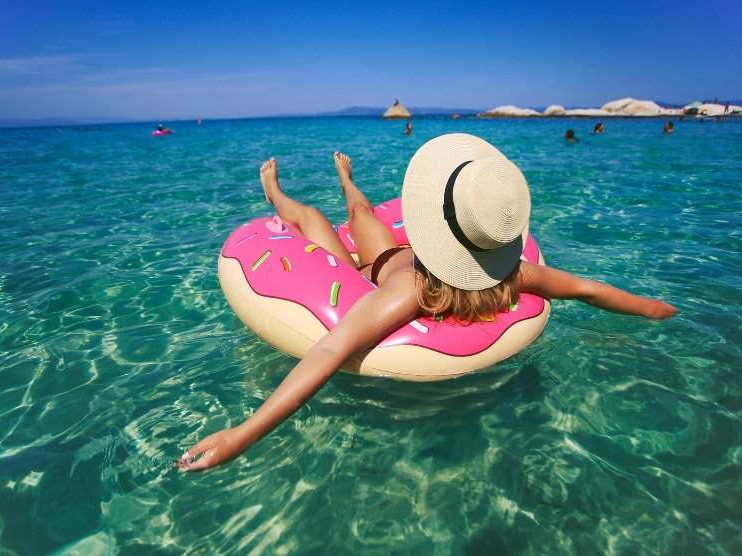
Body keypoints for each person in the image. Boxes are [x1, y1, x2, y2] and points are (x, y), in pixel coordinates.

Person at [175, 134, 677, 472]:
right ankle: (343, 180)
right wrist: (659, 310)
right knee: (359, 207)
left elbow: (329, 352)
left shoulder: (408, 291)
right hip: (399, 256)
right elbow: (590, 290)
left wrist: (243, 434)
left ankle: (278, 194)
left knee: (314, 216)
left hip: (371, 268)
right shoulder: (516, 275)